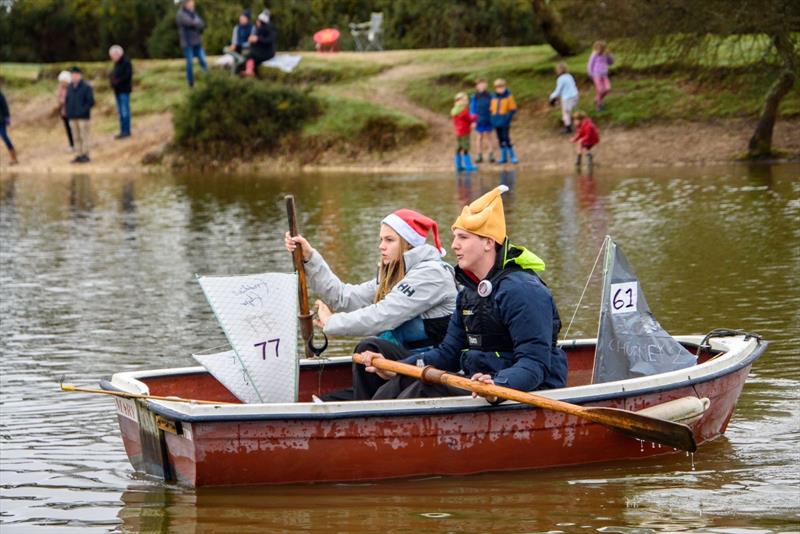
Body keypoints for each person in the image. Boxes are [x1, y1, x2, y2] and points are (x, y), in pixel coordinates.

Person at [358, 186, 568, 401]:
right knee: (401, 382)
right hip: (481, 383)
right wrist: (398, 368)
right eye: (455, 237)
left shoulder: (522, 291)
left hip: (526, 389)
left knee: (423, 391)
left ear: (488, 242)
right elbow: (447, 354)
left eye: (463, 238)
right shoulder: (468, 293)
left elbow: (534, 364)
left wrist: (498, 386)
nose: (454, 245)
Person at [285, 209, 458, 401]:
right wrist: (309, 258)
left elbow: (382, 316)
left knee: (370, 347)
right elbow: (344, 297)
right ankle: (356, 405)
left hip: (433, 364)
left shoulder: (431, 275)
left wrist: (331, 322)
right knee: (329, 399)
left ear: (408, 244)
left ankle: (367, 417)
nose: (381, 246)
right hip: (405, 362)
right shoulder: (396, 274)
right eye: (381, 239)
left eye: (389, 240)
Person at [65, 66, 94, 164]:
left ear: (80, 75)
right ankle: (78, 154)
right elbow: (67, 101)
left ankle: (86, 154)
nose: (73, 77)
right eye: (72, 75)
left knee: (84, 136)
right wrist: (68, 112)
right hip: (72, 116)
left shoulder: (86, 87)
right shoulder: (70, 87)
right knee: (75, 137)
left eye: (75, 75)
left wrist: (83, 111)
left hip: (83, 117)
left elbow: (90, 102)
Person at [176, 0, 208, 87]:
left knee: (203, 61)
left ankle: (209, 80)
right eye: (191, 2)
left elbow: (201, 24)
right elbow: (190, 23)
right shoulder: (180, 14)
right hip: (187, 43)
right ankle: (191, 84)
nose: (193, 3)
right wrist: (195, 22)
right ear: (186, 3)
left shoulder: (193, 13)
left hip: (197, 42)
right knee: (190, 63)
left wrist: (195, 22)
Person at [490, 79, 518, 165]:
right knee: (500, 139)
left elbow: (513, 109)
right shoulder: (493, 97)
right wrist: (492, 118)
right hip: (496, 121)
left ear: (505, 87)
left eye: (501, 87)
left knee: (506, 138)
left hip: (504, 121)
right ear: (495, 88)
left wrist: (507, 118)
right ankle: (503, 157)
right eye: (498, 88)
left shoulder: (509, 96)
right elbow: (490, 109)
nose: (500, 89)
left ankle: (513, 156)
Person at [242, 10, 277, 77]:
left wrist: (258, 39)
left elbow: (269, 40)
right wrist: (252, 40)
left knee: (251, 55)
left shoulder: (270, 29)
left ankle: (249, 71)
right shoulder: (258, 28)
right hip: (260, 51)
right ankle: (250, 71)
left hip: (267, 52)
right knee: (249, 55)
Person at [108, 45, 133, 139]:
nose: (112, 57)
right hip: (117, 91)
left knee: (125, 111)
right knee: (121, 112)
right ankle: (123, 130)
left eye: (113, 55)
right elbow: (112, 76)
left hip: (124, 90)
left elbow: (127, 76)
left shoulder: (126, 62)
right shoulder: (116, 64)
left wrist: (117, 81)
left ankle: (126, 131)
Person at [548, 62, 579, 134]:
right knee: (573, 111)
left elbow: (558, 90)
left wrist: (551, 97)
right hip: (575, 95)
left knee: (566, 112)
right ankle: (578, 124)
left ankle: (568, 127)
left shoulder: (560, 79)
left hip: (567, 97)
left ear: (559, 70)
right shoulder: (569, 76)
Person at [470, 78, 495, 163]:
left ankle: (491, 154)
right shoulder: (474, 97)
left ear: (486, 85)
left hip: (488, 118)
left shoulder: (490, 95)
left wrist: (493, 114)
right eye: (479, 84)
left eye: (483, 84)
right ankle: (479, 155)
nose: (482, 86)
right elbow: (472, 109)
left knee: (489, 137)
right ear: (476, 86)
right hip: (478, 119)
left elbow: (493, 107)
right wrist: (473, 121)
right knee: (479, 137)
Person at [451, 92, 477, 172]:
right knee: (466, 148)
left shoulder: (454, 110)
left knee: (458, 148)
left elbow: (456, 122)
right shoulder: (464, 110)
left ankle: (458, 166)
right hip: (465, 132)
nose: (466, 101)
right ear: (460, 101)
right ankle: (468, 166)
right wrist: (476, 116)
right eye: (465, 100)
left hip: (458, 132)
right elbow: (470, 119)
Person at [587, 41, 614, 111]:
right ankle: (599, 105)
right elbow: (590, 64)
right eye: (598, 48)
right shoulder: (594, 54)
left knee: (608, 88)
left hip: (604, 75)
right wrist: (590, 73)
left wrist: (610, 55)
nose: (600, 50)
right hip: (596, 75)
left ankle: (597, 99)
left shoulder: (605, 55)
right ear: (596, 48)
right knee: (600, 90)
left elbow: (611, 62)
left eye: (602, 48)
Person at [225, 9, 253, 73]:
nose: (241, 19)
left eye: (243, 17)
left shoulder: (252, 28)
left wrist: (238, 44)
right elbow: (234, 40)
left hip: (246, 49)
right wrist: (233, 45)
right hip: (237, 50)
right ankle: (240, 59)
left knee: (245, 52)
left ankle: (239, 61)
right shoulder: (237, 28)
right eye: (241, 17)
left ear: (247, 19)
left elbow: (250, 42)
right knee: (225, 49)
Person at [56, 71, 75, 152]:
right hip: (64, 112)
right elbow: (59, 98)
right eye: (61, 82)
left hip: (73, 112)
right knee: (68, 129)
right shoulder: (60, 88)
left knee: (75, 129)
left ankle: (78, 144)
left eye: (63, 81)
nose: (62, 83)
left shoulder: (72, 88)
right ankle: (71, 144)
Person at [0, 88, 17, 165]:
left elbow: (5, 108)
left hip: (1, 120)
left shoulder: (1, 96)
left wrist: (7, 119)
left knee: (4, 136)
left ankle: (14, 158)